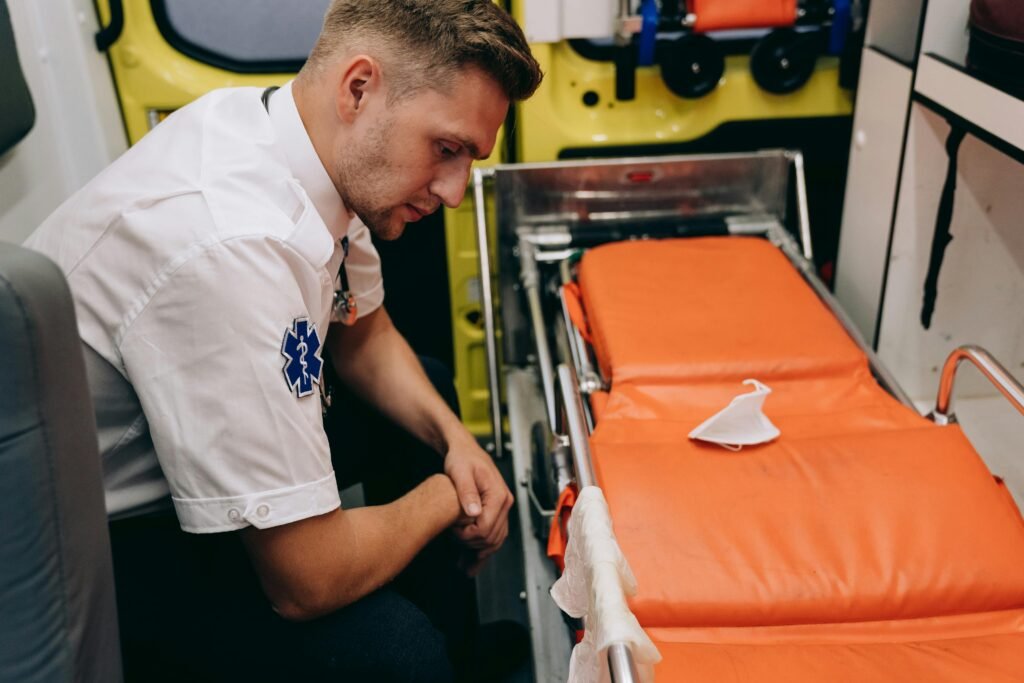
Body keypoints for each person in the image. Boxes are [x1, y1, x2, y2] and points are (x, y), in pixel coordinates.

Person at [24, 1, 543, 680]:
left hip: (174, 449)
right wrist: (451, 496)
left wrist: (459, 444)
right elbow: (306, 579)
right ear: (359, 88)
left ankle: (457, 652)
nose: (453, 191)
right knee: (395, 652)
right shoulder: (227, 245)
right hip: (89, 543)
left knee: (430, 396)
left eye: (469, 158)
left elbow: (362, 333)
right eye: (446, 149)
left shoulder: (303, 141)